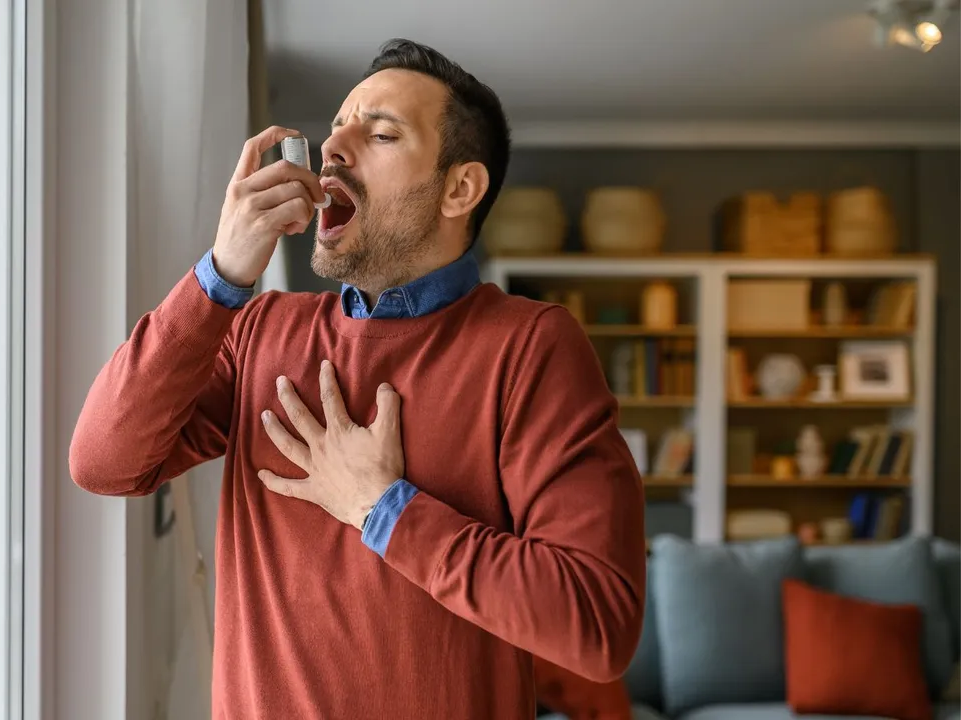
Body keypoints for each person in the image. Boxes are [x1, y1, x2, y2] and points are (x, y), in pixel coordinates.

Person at [70, 38, 646, 720]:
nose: (334, 147)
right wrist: (220, 276)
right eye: (337, 127)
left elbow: (597, 625)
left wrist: (384, 510)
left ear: (459, 188)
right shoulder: (257, 330)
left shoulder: (530, 347)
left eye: (379, 132)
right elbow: (103, 461)